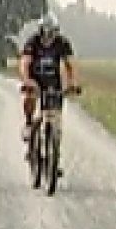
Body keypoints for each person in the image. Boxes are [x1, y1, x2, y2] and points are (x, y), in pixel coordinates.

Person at [18, 13, 78, 149]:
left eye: (52, 33)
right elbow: (25, 62)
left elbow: (70, 63)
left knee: (55, 116)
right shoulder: (32, 42)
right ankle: (28, 124)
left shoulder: (62, 42)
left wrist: (72, 82)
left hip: (53, 81)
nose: (48, 37)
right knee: (30, 97)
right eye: (45, 33)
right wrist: (26, 80)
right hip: (35, 79)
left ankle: (54, 153)